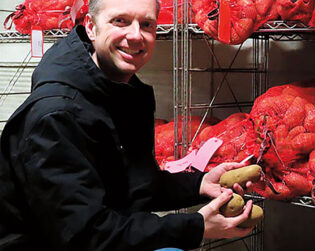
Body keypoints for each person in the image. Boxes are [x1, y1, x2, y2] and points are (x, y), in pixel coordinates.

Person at [0, 0, 256, 250]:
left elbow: (134, 185)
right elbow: (85, 236)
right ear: (90, 26)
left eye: (147, 24)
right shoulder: (56, 115)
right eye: (120, 21)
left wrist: (199, 184)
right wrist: (196, 227)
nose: (136, 36)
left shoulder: (118, 91)